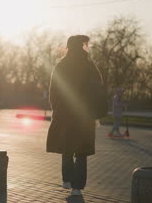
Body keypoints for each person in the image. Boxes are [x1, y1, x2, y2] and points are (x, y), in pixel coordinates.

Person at [46, 35, 105, 196]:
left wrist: (56, 108)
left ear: (68, 48)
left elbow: (53, 91)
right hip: (84, 115)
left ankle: (67, 179)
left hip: (65, 114)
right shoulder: (90, 66)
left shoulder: (61, 66)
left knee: (67, 147)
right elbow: (99, 88)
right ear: (83, 47)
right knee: (81, 151)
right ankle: (77, 188)